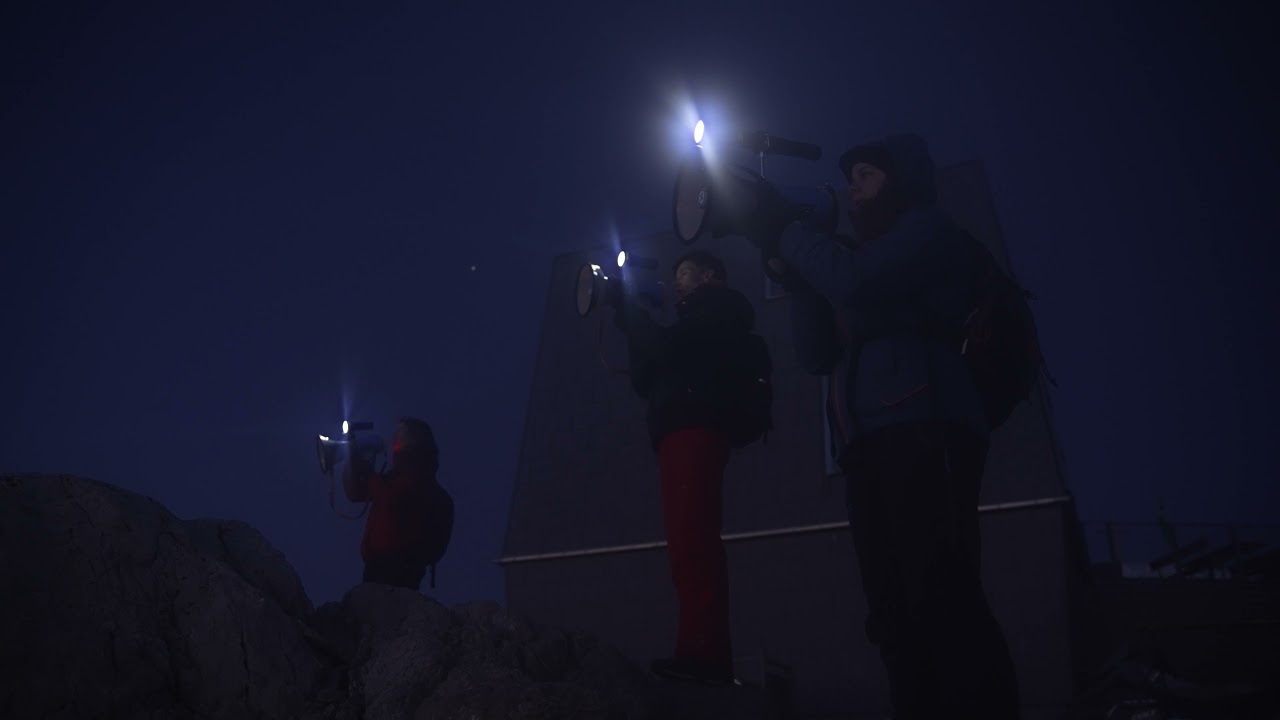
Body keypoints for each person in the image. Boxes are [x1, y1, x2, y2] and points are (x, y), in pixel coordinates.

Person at [758, 134, 1022, 719]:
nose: (853, 184)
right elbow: (815, 353)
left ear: (901, 182)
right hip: (868, 443)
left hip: (928, 426)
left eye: (868, 174)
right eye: (852, 175)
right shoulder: (856, 256)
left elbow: (855, 282)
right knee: (891, 612)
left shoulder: (927, 230)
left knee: (942, 595)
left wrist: (785, 230)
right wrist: (797, 274)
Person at [612, 250, 758, 686]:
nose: (677, 283)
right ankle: (697, 648)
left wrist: (633, 313)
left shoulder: (718, 311)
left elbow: (667, 351)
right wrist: (632, 319)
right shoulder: (691, 322)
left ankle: (705, 653)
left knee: (694, 540)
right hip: (679, 432)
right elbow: (645, 379)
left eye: (685, 273)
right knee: (685, 543)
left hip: (695, 430)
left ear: (711, 276)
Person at [343, 416, 454, 591]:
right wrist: (351, 462)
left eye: (400, 434)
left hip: (396, 569)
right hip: (383, 567)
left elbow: (389, 497)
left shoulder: (414, 480)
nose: (394, 438)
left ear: (414, 441)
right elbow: (355, 493)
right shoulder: (400, 476)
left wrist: (361, 466)